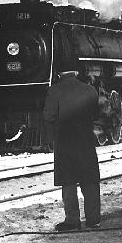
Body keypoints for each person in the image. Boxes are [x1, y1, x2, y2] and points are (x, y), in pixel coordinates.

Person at [43, 71, 101, 231]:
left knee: (68, 181)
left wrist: (50, 140)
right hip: (86, 140)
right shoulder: (89, 90)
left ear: (60, 74)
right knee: (89, 180)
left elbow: (48, 117)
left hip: (65, 142)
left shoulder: (54, 91)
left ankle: (72, 220)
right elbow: (96, 115)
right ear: (76, 73)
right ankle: (94, 219)